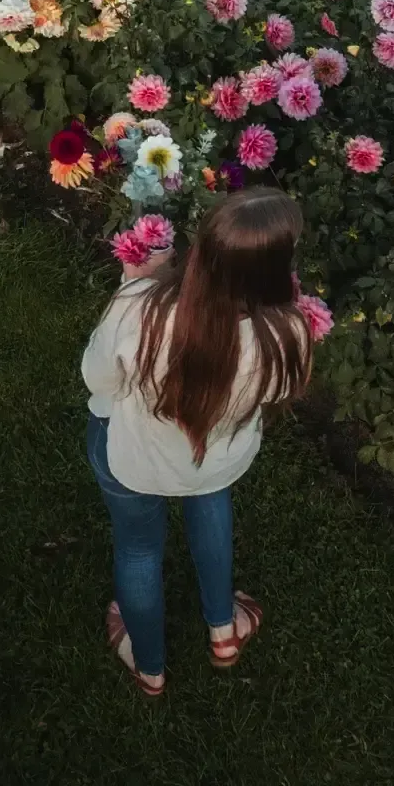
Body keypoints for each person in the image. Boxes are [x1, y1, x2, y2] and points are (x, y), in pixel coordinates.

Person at [80, 186, 313, 696]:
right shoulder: (290, 332)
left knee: (139, 550)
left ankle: (150, 667)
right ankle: (223, 630)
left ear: (201, 252)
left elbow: (97, 381)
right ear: (275, 271)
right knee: (210, 506)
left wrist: (136, 284)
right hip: (217, 461)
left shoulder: (140, 308)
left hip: (134, 459)